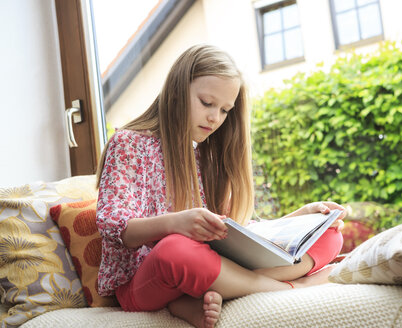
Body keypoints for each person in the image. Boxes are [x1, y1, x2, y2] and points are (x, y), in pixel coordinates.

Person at [95, 44, 346, 328]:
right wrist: (177, 223)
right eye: (207, 103)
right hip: (145, 280)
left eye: (225, 110)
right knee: (174, 250)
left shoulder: (207, 155)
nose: (215, 118)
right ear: (177, 91)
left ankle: (211, 290)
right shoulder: (129, 143)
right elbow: (115, 227)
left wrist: (301, 218)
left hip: (206, 265)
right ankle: (291, 287)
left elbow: (235, 233)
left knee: (330, 236)